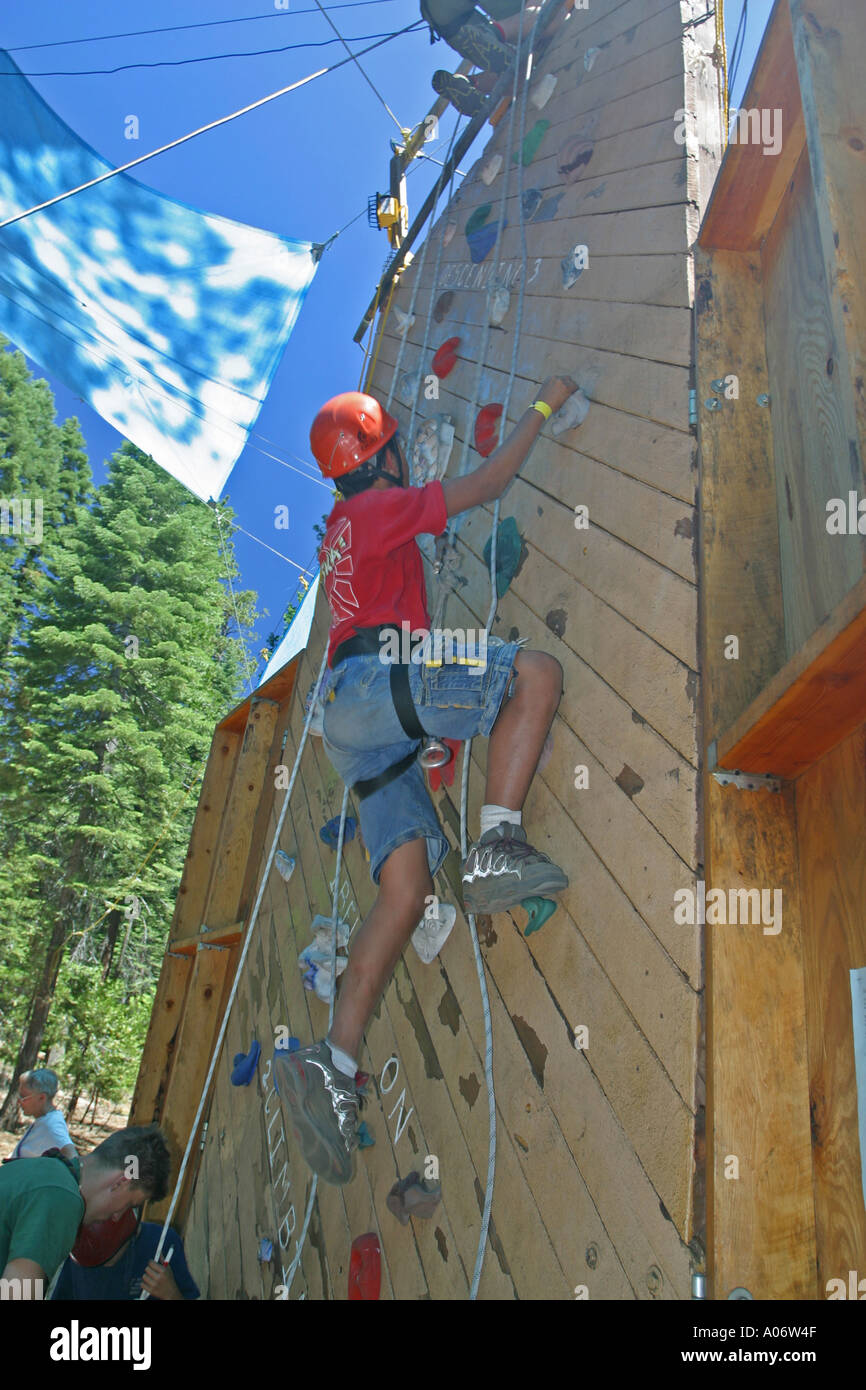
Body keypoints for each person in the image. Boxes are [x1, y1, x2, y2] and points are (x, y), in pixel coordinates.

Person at [275, 377, 578, 1186]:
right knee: (534, 675)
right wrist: (544, 406)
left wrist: (432, 737)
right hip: (377, 683)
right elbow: (485, 486)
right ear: (385, 455)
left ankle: (332, 1068)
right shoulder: (377, 508)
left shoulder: (344, 528)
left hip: (353, 719)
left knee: (404, 893)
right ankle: (496, 845)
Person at [0, 1124, 171, 1297]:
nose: (117, 1216)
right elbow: (16, 1293)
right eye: (128, 1205)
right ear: (121, 1182)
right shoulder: (62, 1198)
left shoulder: (44, 1171)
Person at [423, 0, 571, 116]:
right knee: (554, 14)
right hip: (444, 16)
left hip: (438, 14)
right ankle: (496, 31)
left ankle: (469, 83)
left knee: (521, 74)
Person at [51, 1213, 199, 1301]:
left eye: (105, 1261)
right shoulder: (79, 1259)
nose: (101, 1268)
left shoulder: (162, 1242)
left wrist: (172, 1295)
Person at [13, 1069, 76, 1163]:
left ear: (42, 1097)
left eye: (23, 1097)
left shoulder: (52, 1125)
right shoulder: (43, 1119)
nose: (19, 1101)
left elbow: (72, 1158)